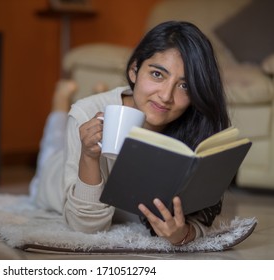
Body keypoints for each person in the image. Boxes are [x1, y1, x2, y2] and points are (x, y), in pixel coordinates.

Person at [30, 21, 230, 246]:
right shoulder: (86, 113)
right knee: (52, 147)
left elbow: (201, 220)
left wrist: (182, 233)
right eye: (157, 74)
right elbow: (85, 227)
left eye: (184, 86)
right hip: (53, 178)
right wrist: (88, 156)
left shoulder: (194, 126)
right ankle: (60, 101)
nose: (166, 96)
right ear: (134, 70)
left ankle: (100, 91)